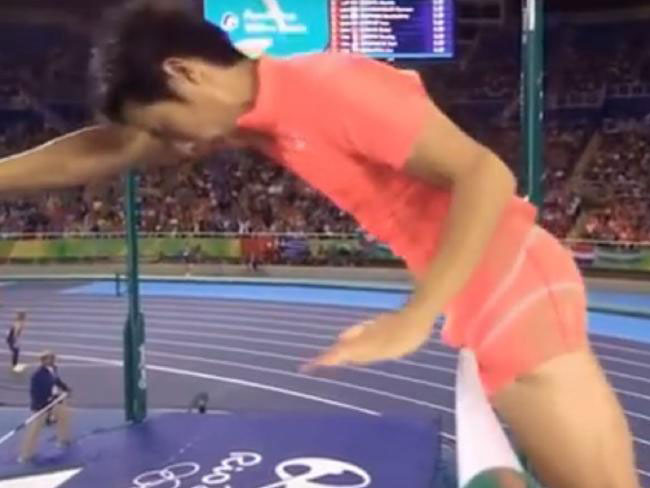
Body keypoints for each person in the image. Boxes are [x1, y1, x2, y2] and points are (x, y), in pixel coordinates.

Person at [0, 1, 638, 486]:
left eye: (170, 126)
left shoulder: (329, 86)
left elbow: (486, 174)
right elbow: (105, 150)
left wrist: (414, 315)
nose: (182, 148)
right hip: (494, 294)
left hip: (512, 291)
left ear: (186, 73)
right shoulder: (254, 114)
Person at [19, 351, 71, 462]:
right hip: (42, 405)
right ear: (43, 361)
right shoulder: (37, 376)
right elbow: (35, 393)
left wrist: (65, 388)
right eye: (50, 358)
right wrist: (44, 403)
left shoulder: (54, 369)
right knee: (35, 429)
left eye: (53, 358)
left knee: (64, 417)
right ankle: (26, 454)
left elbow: (56, 380)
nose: (53, 360)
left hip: (56, 400)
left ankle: (63, 439)